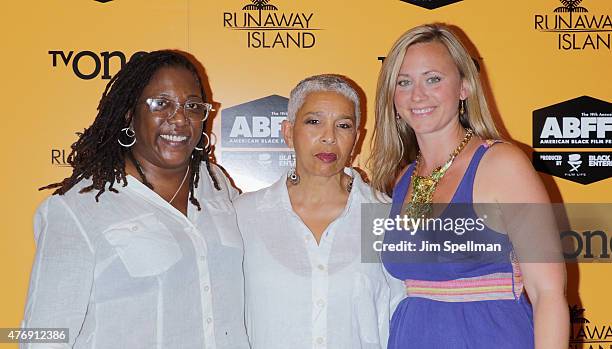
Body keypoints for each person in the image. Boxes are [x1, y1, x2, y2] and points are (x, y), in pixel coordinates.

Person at [22, 50, 250, 349]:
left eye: (192, 106)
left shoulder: (215, 183)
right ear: (129, 113)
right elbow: (43, 335)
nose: (180, 118)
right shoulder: (78, 208)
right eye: (161, 104)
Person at [368, 24, 569, 348]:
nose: (417, 95)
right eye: (404, 82)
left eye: (433, 79)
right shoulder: (405, 178)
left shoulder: (502, 166)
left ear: (464, 86)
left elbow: (548, 294)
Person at [234, 75, 403, 349]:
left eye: (343, 125)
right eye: (314, 122)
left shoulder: (382, 216)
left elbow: (400, 313)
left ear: (357, 139)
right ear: (288, 132)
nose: (329, 137)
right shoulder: (245, 215)